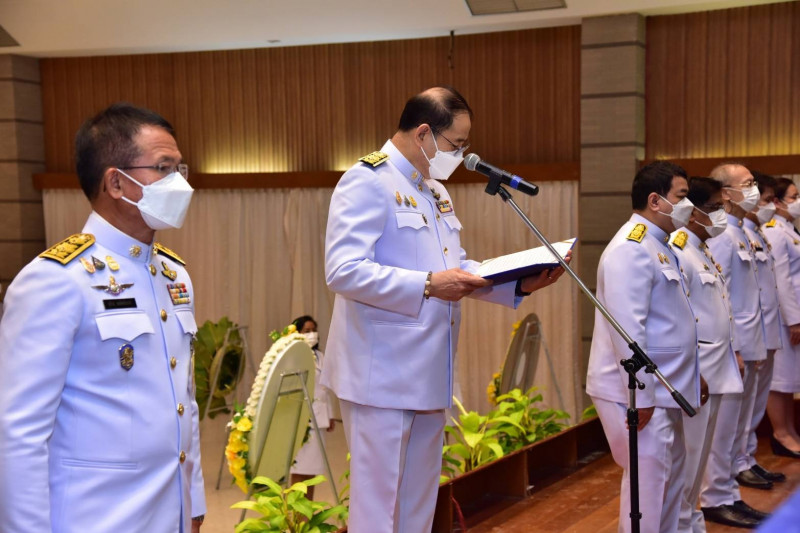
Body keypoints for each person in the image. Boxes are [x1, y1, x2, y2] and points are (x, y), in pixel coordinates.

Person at [321, 86, 568, 533]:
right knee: (379, 509)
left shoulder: (434, 191)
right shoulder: (367, 180)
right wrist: (427, 284)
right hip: (381, 373)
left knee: (417, 505)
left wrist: (517, 283)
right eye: (457, 144)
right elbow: (343, 271)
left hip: (429, 369)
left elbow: (455, 269)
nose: (462, 154)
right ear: (423, 134)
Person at [0, 103, 206, 533]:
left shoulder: (173, 275)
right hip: (94, 517)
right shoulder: (56, 280)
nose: (180, 182)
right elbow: (18, 433)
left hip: (168, 512)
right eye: (164, 168)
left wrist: (194, 501)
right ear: (116, 182)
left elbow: (183, 400)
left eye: (180, 168)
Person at [587, 160, 700, 533]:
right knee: (648, 491)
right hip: (640, 393)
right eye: (681, 196)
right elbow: (628, 331)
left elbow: (672, 322)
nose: (688, 205)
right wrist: (643, 395)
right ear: (655, 200)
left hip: (667, 386)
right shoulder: (631, 248)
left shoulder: (658, 244)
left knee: (668, 484)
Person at [669, 177, 744, 532]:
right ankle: (681, 523)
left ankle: (692, 521)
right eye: (714, 207)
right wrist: (692, 370)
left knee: (699, 460)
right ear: (693, 212)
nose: (720, 214)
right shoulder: (679, 249)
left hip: (715, 369)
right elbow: (682, 317)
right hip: (696, 372)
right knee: (688, 459)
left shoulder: (701, 248)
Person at [701, 163, 769, 527]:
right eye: (748, 184)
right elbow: (720, 296)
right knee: (722, 431)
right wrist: (737, 348)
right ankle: (716, 496)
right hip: (731, 348)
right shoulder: (723, 234)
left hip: (748, 342)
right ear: (726, 193)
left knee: (735, 430)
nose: (754, 190)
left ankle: (728, 494)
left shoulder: (741, 230)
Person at [738, 172, 789, 481]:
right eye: (766, 199)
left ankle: (747, 457)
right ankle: (738, 464)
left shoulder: (755, 233)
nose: (769, 205)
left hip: (766, 332)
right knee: (742, 408)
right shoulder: (734, 234)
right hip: (750, 336)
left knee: (754, 407)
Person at [761, 177, 800, 459]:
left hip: (792, 314)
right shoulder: (774, 230)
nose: (797, 202)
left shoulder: (788, 228)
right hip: (783, 316)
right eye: (793, 196)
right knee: (780, 378)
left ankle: (789, 431)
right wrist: (793, 319)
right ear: (776, 201)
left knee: (789, 378)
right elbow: (782, 279)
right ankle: (780, 433)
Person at [289, 315, 335, 501]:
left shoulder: (320, 356)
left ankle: (307, 510)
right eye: (307, 330)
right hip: (303, 421)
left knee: (313, 471)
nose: (312, 334)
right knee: (300, 469)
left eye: (314, 330)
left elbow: (325, 389)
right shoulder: (294, 356)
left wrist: (330, 415)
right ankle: (296, 513)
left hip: (320, 420)